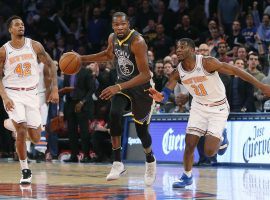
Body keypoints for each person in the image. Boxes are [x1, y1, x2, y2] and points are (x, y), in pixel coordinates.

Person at [149, 38, 270, 188]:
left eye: (183, 47)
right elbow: (167, 90)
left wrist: (261, 86)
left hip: (218, 107)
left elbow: (235, 70)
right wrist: (161, 96)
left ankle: (222, 137)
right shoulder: (177, 72)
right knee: (189, 143)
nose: (178, 49)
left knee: (209, 152)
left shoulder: (207, 63)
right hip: (198, 107)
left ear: (193, 50)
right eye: (177, 47)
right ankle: (187, 176)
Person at [73, 12, 156, 186]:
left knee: (142, 132)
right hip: (124, 84)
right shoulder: (113, 38)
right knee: (114, 113)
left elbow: (145, 74)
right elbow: (108, 55)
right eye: (116, 25)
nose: (119, 27)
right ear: (112, 26)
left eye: (123, 24)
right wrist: (82, 59)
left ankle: (150, 160)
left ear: (128, 24)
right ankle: (117, 163)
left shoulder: (137, 42)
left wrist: (117, 87)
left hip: (142, 88)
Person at [0, 16, 59, 184]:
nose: (21, 26)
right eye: (17, 25)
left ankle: (10, 122)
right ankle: (25, 170)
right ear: (10, 29)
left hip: (32, 94)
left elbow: (51, 64)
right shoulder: (4, 51)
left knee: (34, 136)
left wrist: (54, 88)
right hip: (13, 94)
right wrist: (4, 97)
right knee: (21, 130)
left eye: (22, 24)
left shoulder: (34, 45)